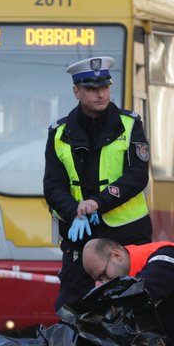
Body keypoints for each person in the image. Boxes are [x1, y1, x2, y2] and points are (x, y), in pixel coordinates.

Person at [43, 55, 152, 312]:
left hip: (128, 234)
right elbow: (52, 185)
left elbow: (137, 175)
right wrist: (74, 211)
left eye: (104, 87)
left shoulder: (130, 124)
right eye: (92, 89)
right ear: (76, 91)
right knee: (71, 306)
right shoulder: (58, 133)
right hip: (80, 233)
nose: (101, 94)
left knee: (132, 307)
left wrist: (98, 202)